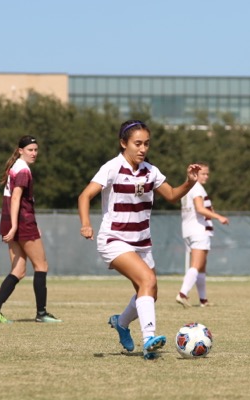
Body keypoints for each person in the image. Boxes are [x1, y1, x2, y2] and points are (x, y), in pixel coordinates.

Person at [78, 120, 201, 360]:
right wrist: (85, 223)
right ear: (123, 143)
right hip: (114, 238)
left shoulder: (150, 171)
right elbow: (85, 196)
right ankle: (149, 340)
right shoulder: (112, 167)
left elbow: (173, 195)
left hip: (142, 241)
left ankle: (121, 323)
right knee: (148, 279)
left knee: (150, 293)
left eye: (146, 143)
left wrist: (190, 181)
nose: (143, 148)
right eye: (137, 143)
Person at [0, 135, 62, 324]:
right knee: (41, 266)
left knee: (19, 270)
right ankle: (41, 313)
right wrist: (15, 227)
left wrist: (13, 226)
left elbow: (18, 201)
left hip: (14, 223)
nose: (34, 153)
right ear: (20, 150)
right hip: (21, 224)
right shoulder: (23, 170)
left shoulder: (16, 167)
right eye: (30, 150)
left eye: (36, 150)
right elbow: (16, 200)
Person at [176, 162, 229, 308]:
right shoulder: (197, 188)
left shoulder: (187, 188)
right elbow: (200, 209)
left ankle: (203, 300)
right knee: (196, 265)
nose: (206, 176)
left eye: (207, 173)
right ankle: (182, 294)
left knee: (201, 266)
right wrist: (219, 217)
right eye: (203, 173)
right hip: (199, 230)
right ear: (195, 174)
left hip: (188, 230)